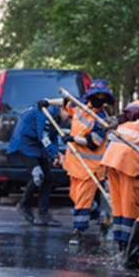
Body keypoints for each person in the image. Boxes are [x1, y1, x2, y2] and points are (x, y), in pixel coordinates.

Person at [43, 79, 114, 245]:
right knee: (74, 196)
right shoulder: (81, 105)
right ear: (91, 95)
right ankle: (103, 219)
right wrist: (48, 102)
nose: (99, 98)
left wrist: (73, 138)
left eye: (103, 96)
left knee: (82, 199)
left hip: (91, 167)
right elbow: (67, 101)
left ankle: (78, 231)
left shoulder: (102, 118)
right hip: (76, 164)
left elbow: (93, 141)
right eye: (97, 95)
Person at [100, 94, 139, 252]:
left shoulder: (138, 103)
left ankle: (121, 247)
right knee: (131, 208)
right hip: (132, 160)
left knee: (119, 207)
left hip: (113, 156)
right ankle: (130, 251)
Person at [6, 103, 70, 226]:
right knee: (38, 176)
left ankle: (43, 214)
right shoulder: (45, 113)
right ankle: (24, 205)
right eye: (70, 116)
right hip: (24, 142)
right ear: (63, 109)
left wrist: (55, 155)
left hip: (37, 145)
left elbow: (53, 136)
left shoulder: (56, 117)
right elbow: (44, 136)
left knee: (48, 178)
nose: (70, 120)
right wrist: (56, 154)